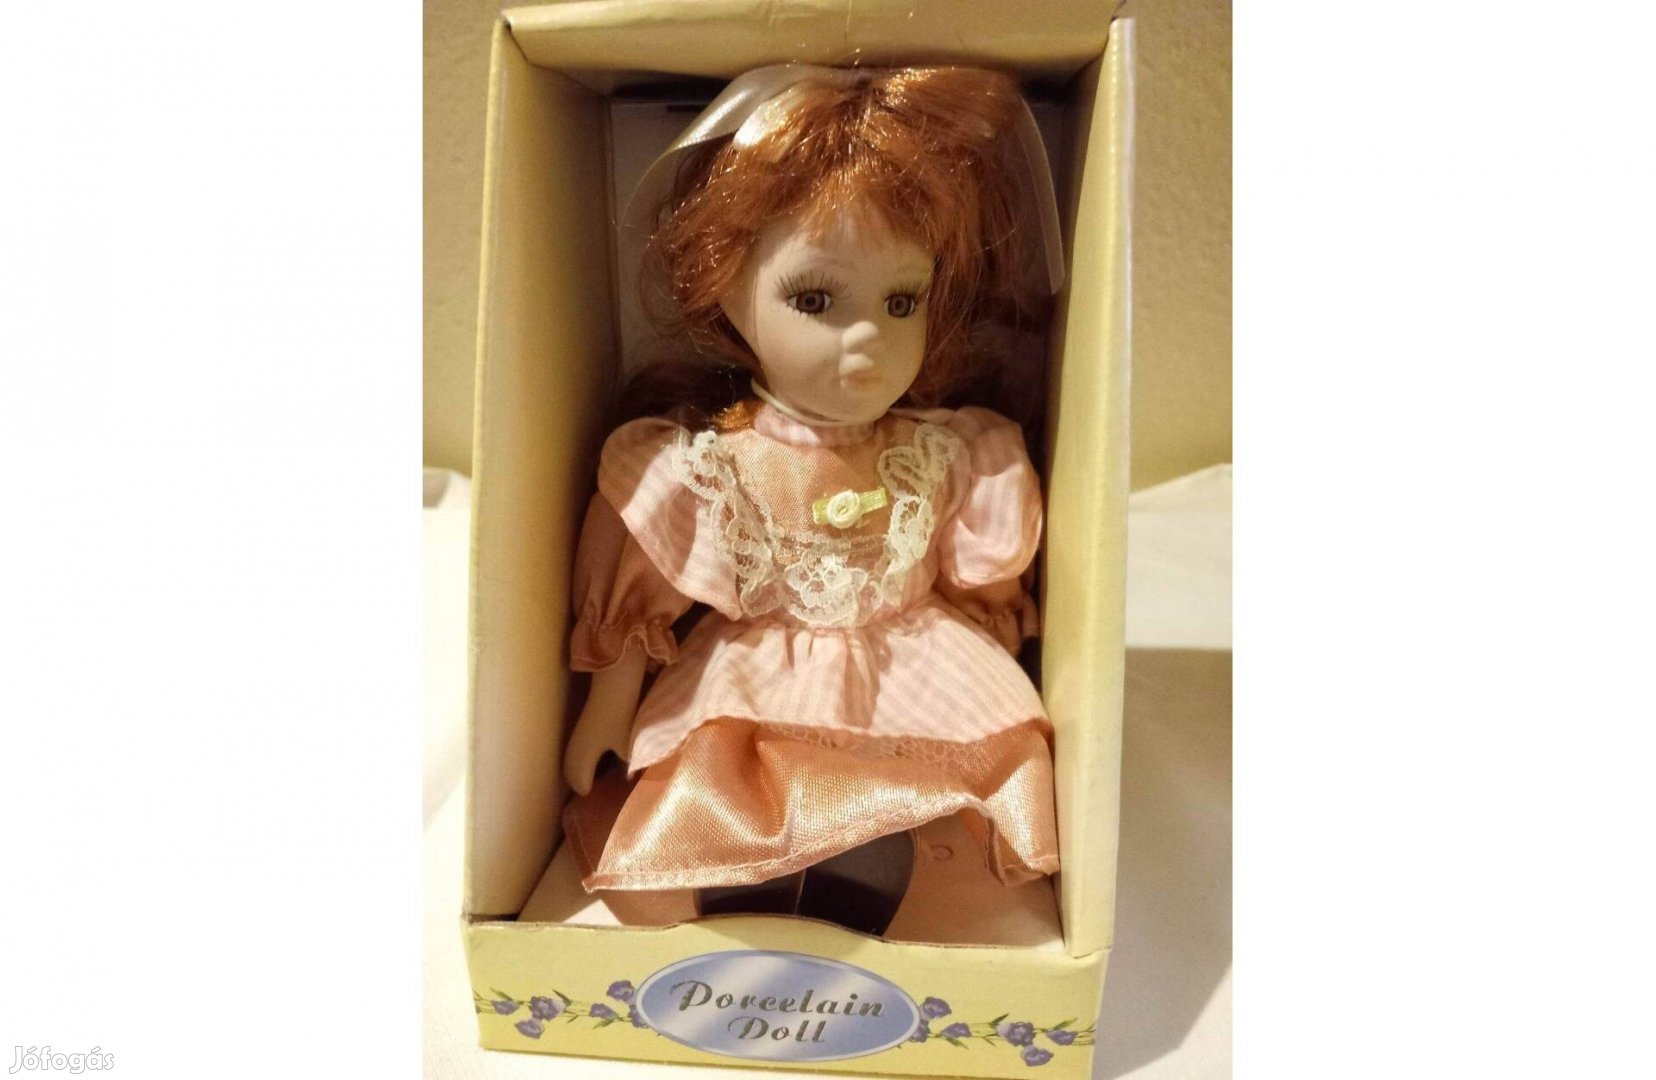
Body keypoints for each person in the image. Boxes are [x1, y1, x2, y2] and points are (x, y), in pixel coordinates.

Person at [559, 64, 1063, 935]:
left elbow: (983, 591)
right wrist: (607, 707)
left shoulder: (952, 453)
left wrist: (1001, 636)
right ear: (726, 286)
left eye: (901, 300)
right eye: (816, 299)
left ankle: (882, 890)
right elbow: (643, 605)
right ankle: (765, 902)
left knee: (938, 785)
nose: (866, 340)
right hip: (760, 676)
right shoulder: (704, 464)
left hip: (915, 665)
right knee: (744, 788)